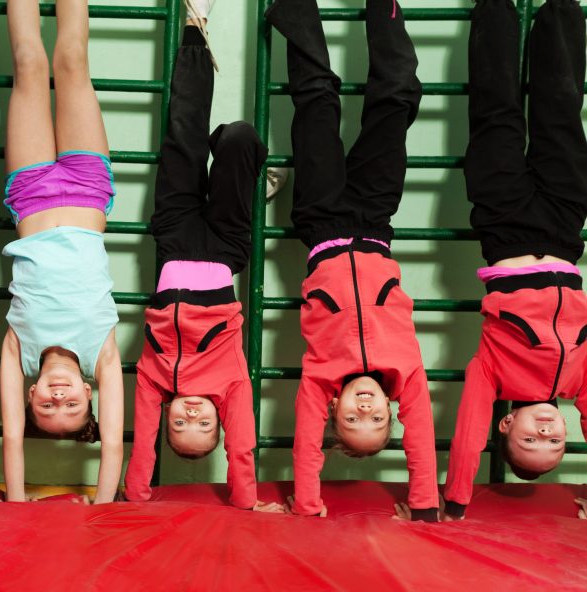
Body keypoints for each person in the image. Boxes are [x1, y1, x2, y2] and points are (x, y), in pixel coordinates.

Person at [266, 0, 438, 521]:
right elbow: (424, 439)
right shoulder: (405, 373)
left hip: (321, 222)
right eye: (378, 421)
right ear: (393, 410)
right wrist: (426, 504)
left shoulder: (320, 378)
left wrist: (309, 502)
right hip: (375, 218)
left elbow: (305, 447)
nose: (365, 412)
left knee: (317, 98)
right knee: (398, 97)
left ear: (332, 412)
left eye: (352, 422)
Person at [123, 2, 280, 513]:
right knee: (239, 137)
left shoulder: (152, 380)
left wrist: (135, 498)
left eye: (180, 424)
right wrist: (248, 502)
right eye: (202, 424)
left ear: (166, 415)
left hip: (172, 238)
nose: (191, 415)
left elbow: (141, 446)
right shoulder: (230, 381)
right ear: (216, 415)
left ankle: (196, 26)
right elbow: (241, 449)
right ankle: (242, 168)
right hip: (223, 248)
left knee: (182, 135)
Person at [443, 0, 587, 521]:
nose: (547, 432)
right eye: (555, 443)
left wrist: (456, 504)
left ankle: (495, 6)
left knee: (496, 107)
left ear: (506, 426)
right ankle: (562, 8)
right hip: (566, 223)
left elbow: (465, 433)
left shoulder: (492, 378)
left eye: (532, 438)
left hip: (503, 225)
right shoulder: (578, 383)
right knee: (561, 106)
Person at [0, 0, 124, 504]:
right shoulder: (104, 356)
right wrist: (100, 501)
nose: (57, 399)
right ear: (88, 396)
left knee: (29, 63)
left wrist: (17, 500)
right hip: (88, 188)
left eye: (46, 409)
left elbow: (10, 437)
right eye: (71, 408)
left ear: (30, 396)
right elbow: (112, 444)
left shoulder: (18, 353)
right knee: (71, 60)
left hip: (30, 192)